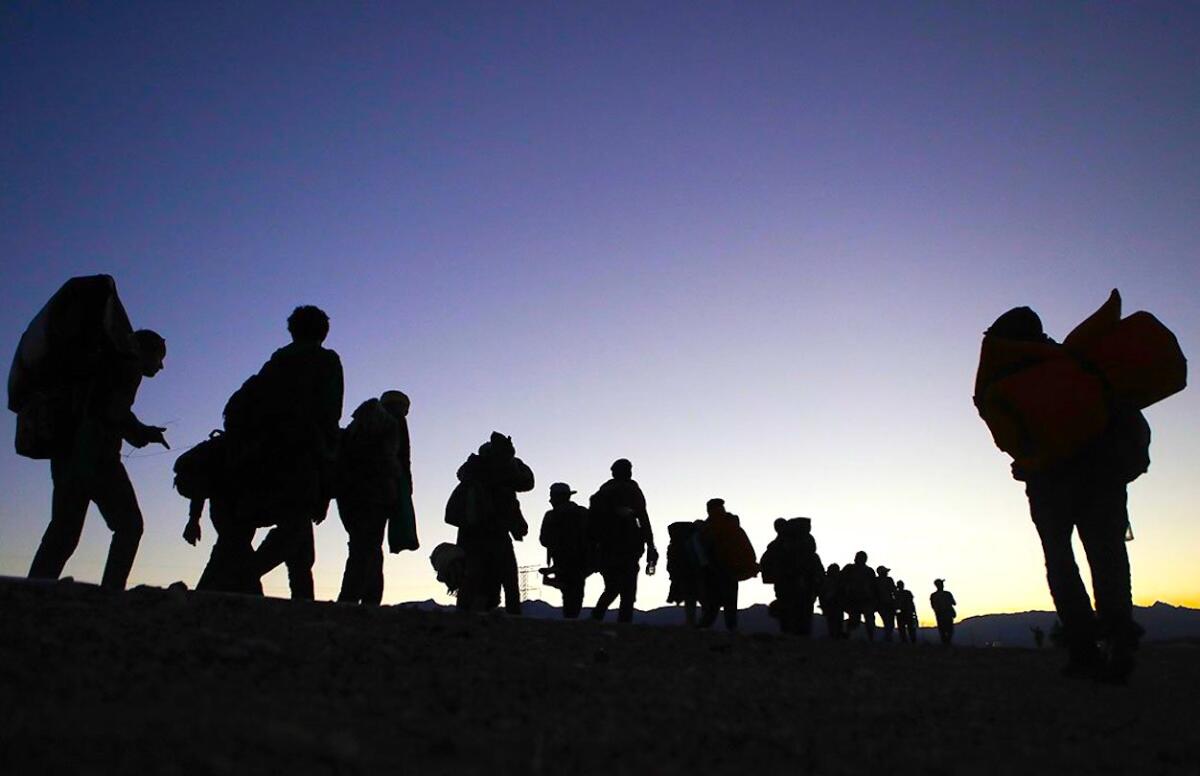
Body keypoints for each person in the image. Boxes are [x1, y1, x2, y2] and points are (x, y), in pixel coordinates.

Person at [974, 299, 1168, 681]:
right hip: (1103, 476)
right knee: (1108, 555)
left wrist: (1028, 463)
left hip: (1049, 483)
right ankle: (1120, 641)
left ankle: (1083, 650)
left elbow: (1009, 440)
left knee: (1061, 562)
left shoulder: (1004, 377)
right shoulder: (1073, 362)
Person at [27, 329, 169, 591]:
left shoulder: (100, 366)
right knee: (129, 526)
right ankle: (111, 594)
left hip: (66, 455)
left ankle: (34, 590)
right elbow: (112, 410)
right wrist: (141, 433)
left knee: (64, 532)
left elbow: (107, 407)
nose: (160, 366)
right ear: (144, 351)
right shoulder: (129, 366)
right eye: (159, 357)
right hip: (97, 457)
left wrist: (139, 432)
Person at [228, 305, 344, 600]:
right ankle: (244, 574)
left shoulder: (277, 362)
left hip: (267, 453)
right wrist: (329, 457)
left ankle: (302, 601)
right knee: (295, 522)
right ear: (323, 332)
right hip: (302, 451)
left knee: (298, 527)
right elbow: (330, 413)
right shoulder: (326, 360)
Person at [334, 390, 419, 605]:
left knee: (363, 545)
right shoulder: (394, 421)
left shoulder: (359, 423)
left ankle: (366, 600)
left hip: (348, 495)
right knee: (367, 548)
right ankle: (353, 600)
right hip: (377, 494)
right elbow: (401, 459)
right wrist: (402, 490)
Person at [448, 432, 534, 613]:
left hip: (469, 536)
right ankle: (512, 620)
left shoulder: (471, 475)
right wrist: (514, 462)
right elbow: (527, 482)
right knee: (508, 579)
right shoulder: (501, 476)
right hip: (495, 535)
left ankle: (466, 617)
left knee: (473, 579)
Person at [589, 458, 657, 623]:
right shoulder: (628, 490)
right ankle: (618, 622)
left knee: (615, 588)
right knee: (625, 590)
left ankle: (599, 618)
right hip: (623, 546)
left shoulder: (604, 492)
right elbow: (643, 518)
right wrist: (650, 544)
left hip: (614, 546)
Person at [696, 498, 757, 631]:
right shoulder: (732, 526)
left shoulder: (708, 528)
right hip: (731, 570)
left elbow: (703, 550)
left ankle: (702, 629)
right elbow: (746, 547)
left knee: (712, 604)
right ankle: (731, 629)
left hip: (715, 570)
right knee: (730, 602)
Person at [538, 482, 591, 618]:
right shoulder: (583, 513)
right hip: (581, 563)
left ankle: (569, 624)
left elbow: (544, 540)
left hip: (561, 562)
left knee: (568, 596)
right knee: (575, 595)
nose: (550, 500)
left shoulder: (551, 516)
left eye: (552, 497)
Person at [665, 520, 704, 626]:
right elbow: (701, 558)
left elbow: (670, 564)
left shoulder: (675, 544)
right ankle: (701, 625)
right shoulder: (696, 540)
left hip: (683, 576)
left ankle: (691, 624)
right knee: (704, 601)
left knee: (690, 601)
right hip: (696, 575)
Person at [841, 551, 877, 641]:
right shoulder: (850, 569)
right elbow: (842, 581)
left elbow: (874, 586)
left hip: (865, 599)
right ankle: (848, 635)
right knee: (855, 620)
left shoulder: (868, 571)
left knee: (868, 620)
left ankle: (870, 638)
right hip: (854, 598)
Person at [819, 563, 845, 639]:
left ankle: (836, 634)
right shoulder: (827, 580)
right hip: (830, 603)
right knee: (833, 620)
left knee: (836, 619)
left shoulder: (838, 581)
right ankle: (835, 634)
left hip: (836, 603)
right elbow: (822, 593)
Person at [930, 579, 957, 645]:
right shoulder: (947, 593)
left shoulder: (933, 595)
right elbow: (954, 603)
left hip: (940, 615)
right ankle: (947, 644)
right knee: (949, 630)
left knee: (942, 630)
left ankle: (945, 644)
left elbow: (933, 606)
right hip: (947, 614)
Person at [875, 565, 897, 642]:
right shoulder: (888, 580)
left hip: (884, 604)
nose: (887, 573)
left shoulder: (876, 581)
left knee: (888, 622)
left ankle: (888, 638)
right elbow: (894, 591)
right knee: (889, 622)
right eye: (885, 572)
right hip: (886, 604)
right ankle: (888, 639)